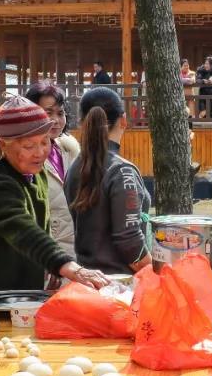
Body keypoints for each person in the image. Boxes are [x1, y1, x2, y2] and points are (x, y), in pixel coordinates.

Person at [0, 96, 109, 335]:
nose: (40, 152)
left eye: (45, 142)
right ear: (3, 144)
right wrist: (67, 266)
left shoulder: (31, 171)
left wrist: (48, 271)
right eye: (29, 146)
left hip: (10, 302)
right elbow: (25, 231)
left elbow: (42, 227)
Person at [64, 87, 151, 275]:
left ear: (82, 123)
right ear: (124, 120)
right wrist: (158, 272)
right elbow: (130, 241)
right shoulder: (122, 171)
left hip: (86, 280)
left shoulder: (73, 168)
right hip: (122, 286)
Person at [25, 81, 80, 257]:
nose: (56, 120)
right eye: (48, 113)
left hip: (75, 253)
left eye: (60, 113)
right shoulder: (23, 158)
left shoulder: (69, 151)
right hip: (45, 257)